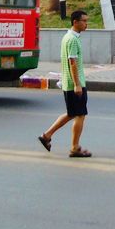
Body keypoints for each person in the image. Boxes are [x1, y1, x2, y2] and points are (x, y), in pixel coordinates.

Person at [38, 10, 91, 157]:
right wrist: (77, 84)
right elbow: (72, 62)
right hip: (74, 84)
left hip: (69, 82)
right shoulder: (72, 39)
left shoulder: (68, 37)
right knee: (80, 115)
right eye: (84, 21)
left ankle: (46, 136)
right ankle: (74, 148)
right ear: (75, 22)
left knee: (72, 113)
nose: (86, 24)